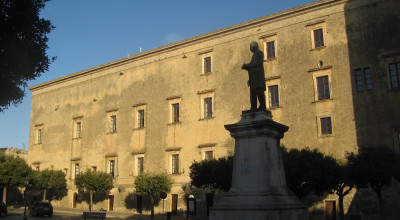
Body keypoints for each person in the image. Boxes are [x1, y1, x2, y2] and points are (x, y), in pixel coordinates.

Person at [241, 41, 266, 111]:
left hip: (258, 78)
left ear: (253, 47)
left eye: (251, 47)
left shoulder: (259, 53)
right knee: (253, 94)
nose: (250, 49)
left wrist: (247, 65)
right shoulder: (254, 55)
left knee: (259, 92)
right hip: (253, 79)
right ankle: (253, 107)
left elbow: (258, 63)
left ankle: (262, 106)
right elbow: (252, 67)